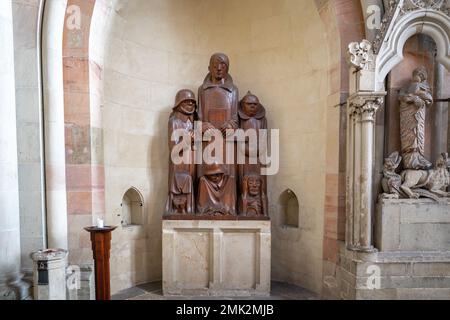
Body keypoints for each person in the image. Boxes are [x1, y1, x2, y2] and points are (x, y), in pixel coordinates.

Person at [165, 89, 196, 215]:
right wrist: (189, 139)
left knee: (191, 185)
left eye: (192, 102)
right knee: (178, 187)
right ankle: (176, 210)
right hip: (179, 164)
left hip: (191, 162)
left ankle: (189, 207)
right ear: (179, 103)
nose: (191, 104)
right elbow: (174, 149)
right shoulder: (174, 122)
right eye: (187, 102)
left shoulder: (193, 123)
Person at [399, 67, 433, 170]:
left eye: (419, 75)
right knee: (409, 136)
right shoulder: (406, 87)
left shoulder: (425, 88)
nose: (416, 77)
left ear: (422, 78)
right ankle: (409, 161)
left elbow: (429, 101)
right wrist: (412, 98)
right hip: (407, 117)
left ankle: (418, 159)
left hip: (418, 117)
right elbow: (401, 97)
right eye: (415, 74)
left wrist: (422, 99)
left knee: (418, 136)